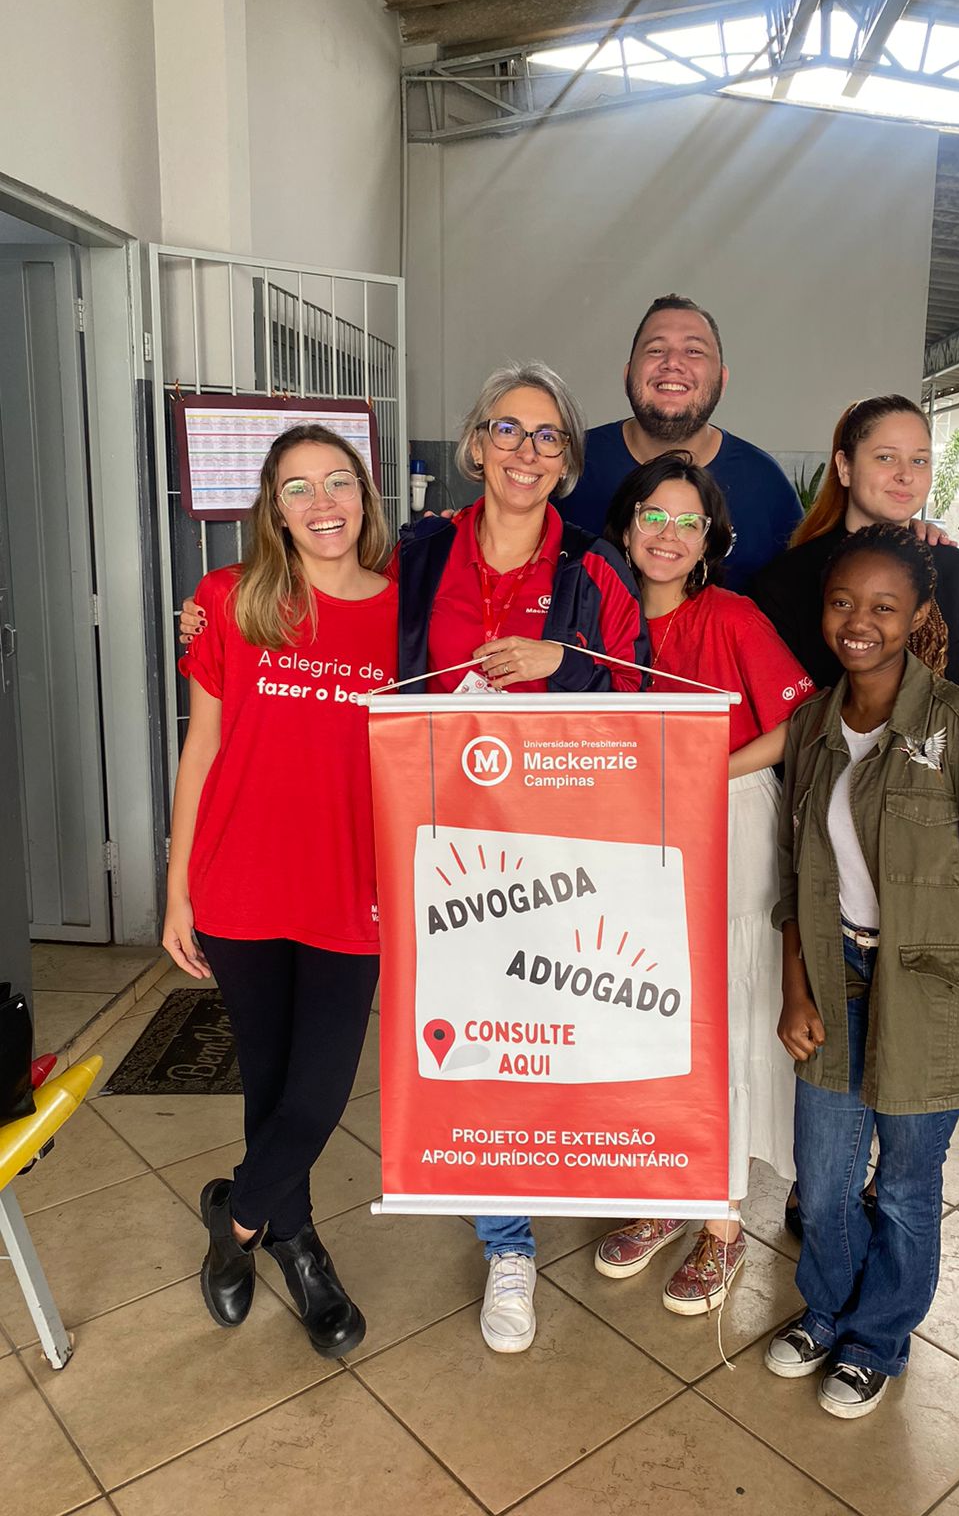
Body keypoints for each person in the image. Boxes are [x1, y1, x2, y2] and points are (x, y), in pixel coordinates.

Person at [765, 523, 959, 1418]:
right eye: (843, 603)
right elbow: (792, 879)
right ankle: (829, 1309)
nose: (860, 622)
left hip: (932, 988)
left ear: (918, 614)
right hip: (834, 972)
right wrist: (796, 990)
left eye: (884, 607)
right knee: (824, 1177)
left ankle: (877, 1338)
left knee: (907, 1184)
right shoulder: (813, 725)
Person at [395, 360, 648, 1352]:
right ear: (476, 443)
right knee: (473, 1044)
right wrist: (213, 604)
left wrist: (564, 660)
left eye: (548, 436)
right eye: (508, 429)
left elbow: (638, 698)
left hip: (556, 851)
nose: (526, 451)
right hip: (441, 844)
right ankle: (508, 1245)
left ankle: (568, 1183)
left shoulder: (593, 569)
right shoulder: (419, 551)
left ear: (568, 461)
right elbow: (326, 607)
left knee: (547, 1036)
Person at [164, 424, 397, 1359]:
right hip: (242, 878)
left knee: (318, 1092)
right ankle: (298, 1247)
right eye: (298, 487)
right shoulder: (230, 600)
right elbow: (202, 748)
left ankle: (237, 1220)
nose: (322, 501)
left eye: (338, 480)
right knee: (268, 1082)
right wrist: (177, 890)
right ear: (275, 508)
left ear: (365, 496)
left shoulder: (404, 610)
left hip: (352, 885)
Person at [590, 453, 815, 1313]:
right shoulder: (596, 621)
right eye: (655, 514)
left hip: (726, 820)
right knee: (640, 1006)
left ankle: (721, 1225)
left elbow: (800, 720)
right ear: (626, 524)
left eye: (690, 521)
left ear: (711, 539)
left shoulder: (732, 616)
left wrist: (704, 773)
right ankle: (663, 1194)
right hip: (627, 828)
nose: (670, 534)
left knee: (720, 1015)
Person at [750, 395, 959, 700]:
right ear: (845, 467)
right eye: (886, 457)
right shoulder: (784, 581)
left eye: (919, 461)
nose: (906, 475)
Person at [556, 295, 801, 591]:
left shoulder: (766, 486)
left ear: (722, 381)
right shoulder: (566, 461)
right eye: (656, 349)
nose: (672, 363)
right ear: (628, 375)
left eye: (694, 351)